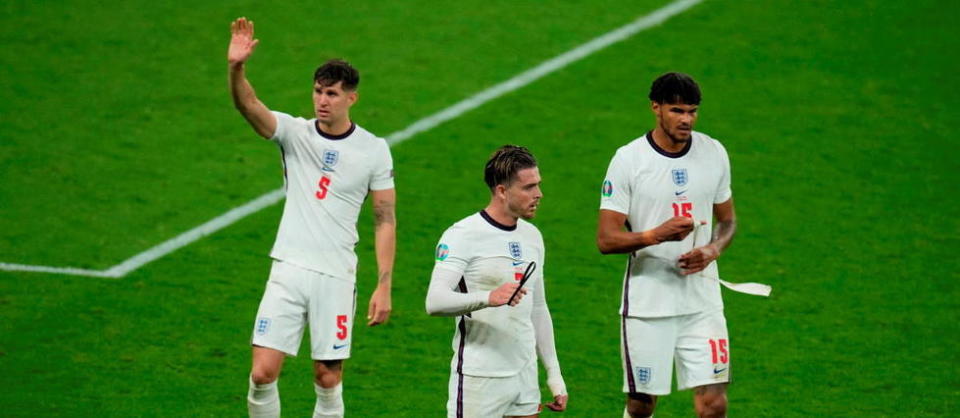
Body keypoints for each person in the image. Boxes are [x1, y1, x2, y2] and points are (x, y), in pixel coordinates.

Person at [228, 17, 396, 418]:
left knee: (326, 378)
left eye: (333, 94)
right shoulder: (294, 133)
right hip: (288, 269)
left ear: (351, 98)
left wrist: (384, 284)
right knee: (263, 373)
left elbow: (385, 218)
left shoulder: (373, 150)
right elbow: (248, 105)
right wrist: (237, 68)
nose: (322, 100)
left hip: (336, 275)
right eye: (319, 91)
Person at [596, 73, 737, 418]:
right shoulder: (629, 160)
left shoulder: (714, 152)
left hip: (702, 302)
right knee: (642, 406)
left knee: (714, 405)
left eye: (692, 111)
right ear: (656, 108)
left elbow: (728, 220)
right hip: (648, 304)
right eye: (677, 110)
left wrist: (714, 249)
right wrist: (655, 234)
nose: (686, 119)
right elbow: (606, 239)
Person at [426, 145, 568, 418]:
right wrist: (488, 298)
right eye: (529, 187)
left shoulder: (532, 237)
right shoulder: (463, 235)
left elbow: (538, 309)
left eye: (538, 185)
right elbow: (435, 301)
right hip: (480, 379)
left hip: (524, 374)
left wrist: (554, 374)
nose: (539, 194)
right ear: (502, 191)